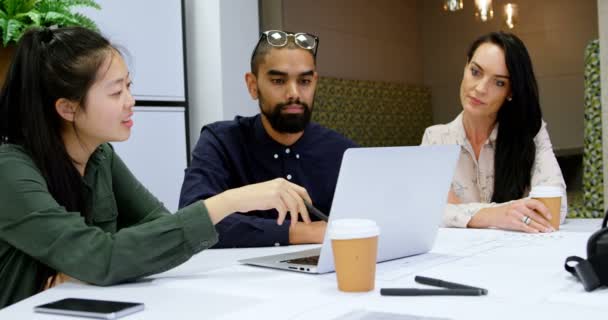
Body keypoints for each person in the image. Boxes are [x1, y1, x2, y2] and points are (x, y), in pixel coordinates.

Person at [0, 27, 312, 308]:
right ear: (67, 108)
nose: (130, 101)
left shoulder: (101, 157)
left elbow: (158, 224)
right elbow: (104, 257)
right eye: (115, 92)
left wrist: (94, 265)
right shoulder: (9, 169)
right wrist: (232, 200)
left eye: (128, 87)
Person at [179, 30, 357, 248]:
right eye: (278, 80)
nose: (294, 93)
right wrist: (301, 232)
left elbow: (371, 222)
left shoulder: (345, 153)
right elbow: (191, 220)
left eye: (305, 81)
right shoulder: (221, 142)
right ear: (252, 85)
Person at [421, 31, 567, 233]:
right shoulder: (435, 139)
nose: (480, 88)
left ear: (511, 92)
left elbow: (554, 209)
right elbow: (426, 211)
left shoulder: (531, 132)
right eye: (475, 72)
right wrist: (497, 214)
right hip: (456, 260)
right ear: (465, 67)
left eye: (499, 82)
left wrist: (458, 212)